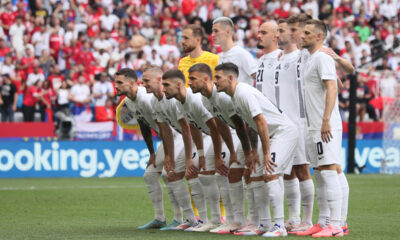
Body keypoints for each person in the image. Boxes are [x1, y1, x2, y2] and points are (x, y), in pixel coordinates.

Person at [214, 62, 298, 237]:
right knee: (255, 176)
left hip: (283, 132)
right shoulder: (235, 97)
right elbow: (251, 126)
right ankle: (265, 224)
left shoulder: (243, 93)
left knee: (270, 173)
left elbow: (261, 122)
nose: (215, 82)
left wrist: (266, 153)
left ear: (230, 78)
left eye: (218, 78)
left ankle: (279, 226)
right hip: (271, 136)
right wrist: (253, 152)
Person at [288, 14, 350, 235]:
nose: (301, 36)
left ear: (319, 36)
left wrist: (325, 120)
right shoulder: (309, 57)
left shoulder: (322, 58)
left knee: (330, 171)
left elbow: (334, 88)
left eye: (305, 33)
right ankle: (324, 222)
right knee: (322, 171)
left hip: (325, 124)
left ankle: (336, 224)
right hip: (313, 124)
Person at [115, 68, 196, 230]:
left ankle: (183, 218)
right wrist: (152, 153)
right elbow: (144, 126)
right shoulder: (130, 102)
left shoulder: (146, 98)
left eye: (119, 82)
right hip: (166, 139)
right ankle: (160, 218)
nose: (115, 86)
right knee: (150, 175)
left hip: (175, 137)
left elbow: (164, 127)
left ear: (131, 83)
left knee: (169, 174)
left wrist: (168, 155)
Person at [162, 69, 236, 232]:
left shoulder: (195, 100)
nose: (163, 88)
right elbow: (194, 129)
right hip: (212, 136)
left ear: (178, 84)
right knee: (205, 176)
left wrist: (216, 156)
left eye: (166, 85)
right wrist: (200, 155)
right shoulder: (181, 102)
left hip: (229, 134)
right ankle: (214, 220)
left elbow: (216, 129)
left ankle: (231, 220)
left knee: (221, 175)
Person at [141, 65, 201, 231]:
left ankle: (199, 219)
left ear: (159, 80)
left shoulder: (174, 99)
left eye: (146, 80)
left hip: (197, 137)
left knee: (194, 175)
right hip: (182, 137)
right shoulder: (155, 101)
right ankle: (189, 219)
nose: (143, 84)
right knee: (172, 174)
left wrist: (188, 158)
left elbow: (187, 130)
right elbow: (165, 130)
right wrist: (168, 155)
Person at [177, 23, 225, 224]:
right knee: (192, 169)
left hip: (213, 118)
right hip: (192, 119)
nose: (182, 41)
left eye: (186, 38)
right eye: (182, 37)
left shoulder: (213, 59)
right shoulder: (182, 63)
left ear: (198, 39)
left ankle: (222, 213)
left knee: (216, 170)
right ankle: (198, 215)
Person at [274, 19, 315, 233]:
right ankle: (294, 218)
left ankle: (307, 220)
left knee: (302, 170)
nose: (278, 34)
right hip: (283, 122)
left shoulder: (303, 56)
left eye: (282, 31)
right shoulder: (279, 59)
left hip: (299, 122)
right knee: (287, 172)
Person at [212, 17, 257, 86]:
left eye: (216, 31)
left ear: (228, 32)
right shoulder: (219, 56)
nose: (213, 34)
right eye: (212, 31)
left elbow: (258, 77)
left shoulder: (241, 53)